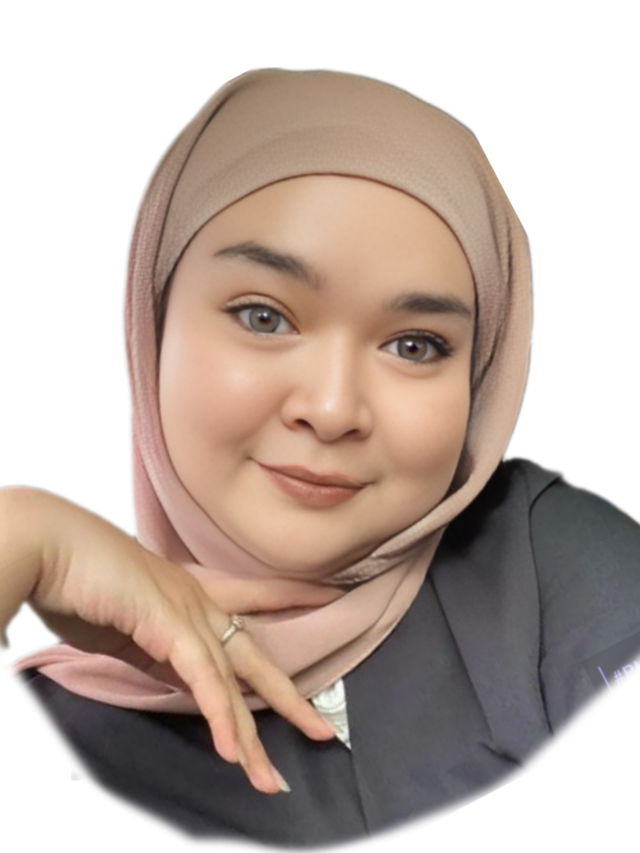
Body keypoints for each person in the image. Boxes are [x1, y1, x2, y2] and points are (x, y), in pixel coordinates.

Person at [2, 68, 638, 849]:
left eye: (415, 345)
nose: (333, 409)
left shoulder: (552, 565)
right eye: (263, 316)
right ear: (151, 323)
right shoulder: (65, 720)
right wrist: (15, 536)